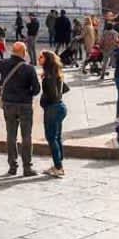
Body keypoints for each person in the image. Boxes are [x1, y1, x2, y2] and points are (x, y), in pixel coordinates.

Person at [0, 41, 41, 177]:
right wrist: (27, 93)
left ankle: (12, 166)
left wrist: (1, 85)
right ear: (24, 53)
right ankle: (27, 167)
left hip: (8, 103)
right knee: (26, 136)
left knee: (11, 135)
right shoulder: (29, 68)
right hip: (24, 104)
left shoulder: (4, 63)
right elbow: (36, 90)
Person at [38, 49, 70, 178]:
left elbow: (53, 95)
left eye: (41, 57)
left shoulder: (48, 76)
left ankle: (58, 167)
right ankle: (58, 164)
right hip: (60, 107)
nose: (39, 59)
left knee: (51, 138)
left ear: (47, 60)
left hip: (53, 108)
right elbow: (65, 89)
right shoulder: (56, 73)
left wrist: (43, 101)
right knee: (57, 137)